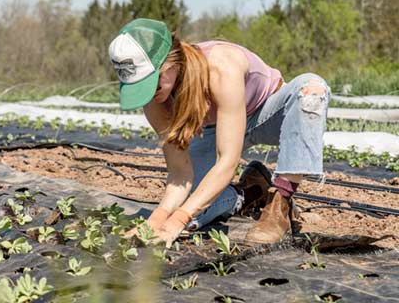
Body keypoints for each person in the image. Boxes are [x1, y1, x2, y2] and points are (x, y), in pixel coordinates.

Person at [108, 18, 330, 247]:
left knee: (311, 90)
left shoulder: (220, 65)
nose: (150, 93)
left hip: (267, 114)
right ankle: (248, 192)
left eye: (152, 83)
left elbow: (227, 161)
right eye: (140, 87)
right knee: (191, 210)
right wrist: (157, 219)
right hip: (217, 129)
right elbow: (179, 174)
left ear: (171, 61)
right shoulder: (155, 101)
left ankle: (280, 203)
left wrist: (177, 220)